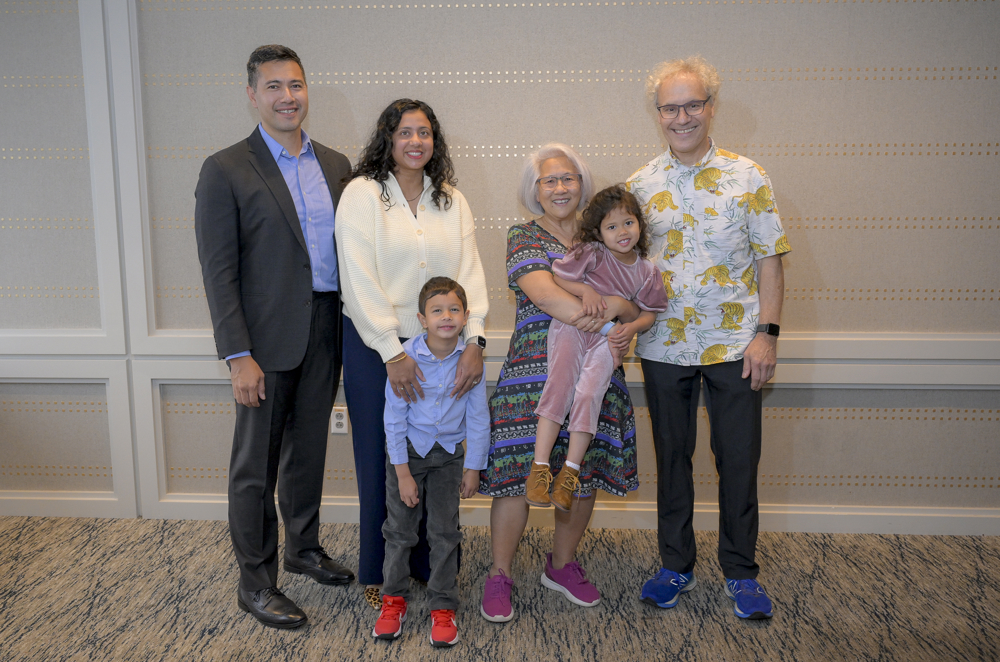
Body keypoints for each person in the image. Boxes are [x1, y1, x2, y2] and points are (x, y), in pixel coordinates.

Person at [194, 44, 354, 629]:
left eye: (296, 85)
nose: (288, 97)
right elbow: (220, 270)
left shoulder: (337, 165)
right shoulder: (226, 168)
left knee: (308, 449)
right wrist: (239, 354)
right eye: (274, 87)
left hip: (328, 326)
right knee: (255, 465)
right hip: (262, 342)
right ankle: (256, 583)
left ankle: (303, 548)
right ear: (252, 94)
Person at [626, 55, 790, 620]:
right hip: (664, 346)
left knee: (738, 459)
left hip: (737, 344)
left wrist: (767, 334)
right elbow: (627, 269)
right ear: (658, 114)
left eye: (692, 104)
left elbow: (770, 260)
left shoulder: (749, 176)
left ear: (711, 107)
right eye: (670, 107)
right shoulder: (639, 187)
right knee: (672, 458)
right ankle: (675, 565)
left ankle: (741, 572)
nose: (681, 117)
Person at [479, 144, 644, 622]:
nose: (559, 188)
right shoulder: (523, 237)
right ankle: (499, 573)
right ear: (534, 191)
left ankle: (562, 565)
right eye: (548, 181)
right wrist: (613, 317)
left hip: (595, 374)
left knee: (581, 473)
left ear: (582, 184)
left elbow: (637, 299)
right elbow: (548, 298)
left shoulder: (606, 237)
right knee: (515, 478)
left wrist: (623, 313)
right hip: (534, 373)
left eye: (568, 178)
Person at [335, 99, 489, 610]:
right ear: (388, 138)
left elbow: (470, 272)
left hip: (444, 342)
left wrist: (475, 341)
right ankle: (382, 569)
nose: (416, 141)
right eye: (405, 132)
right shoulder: (362, 194)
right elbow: (356, 275)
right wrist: (390, 350)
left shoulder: (451, 200)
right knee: (385, 454)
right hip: (376, 346)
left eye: (425, 132)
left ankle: (430, 566)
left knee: (440, 450)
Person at [528, 185, 669, 512]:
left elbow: (650, 313)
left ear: (639, 225)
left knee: (590, 394)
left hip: (608, 340)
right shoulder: (591, 253)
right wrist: (585, 291)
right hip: (573, 328)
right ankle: (539, 469)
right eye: (612, 226)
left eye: (628, 222)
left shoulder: (647, 272)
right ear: (598, 232)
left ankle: (569, 475)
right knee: (561, 385)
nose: (622, 232)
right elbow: (558, 277)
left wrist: (631, 328)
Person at [372, 277, 489, 647]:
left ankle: (443, 605)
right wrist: (402, 474)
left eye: (454, 309)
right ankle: (393, 601)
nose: (446, 317)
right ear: (422, 319)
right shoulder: (405, 358)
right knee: (400, 532)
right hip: (407, 456)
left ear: (466, 316)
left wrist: (473, 467)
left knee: (444, 533)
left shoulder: (471, 362)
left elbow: (478, 417)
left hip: (449, 458)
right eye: (437, 310)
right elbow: (393, 419)